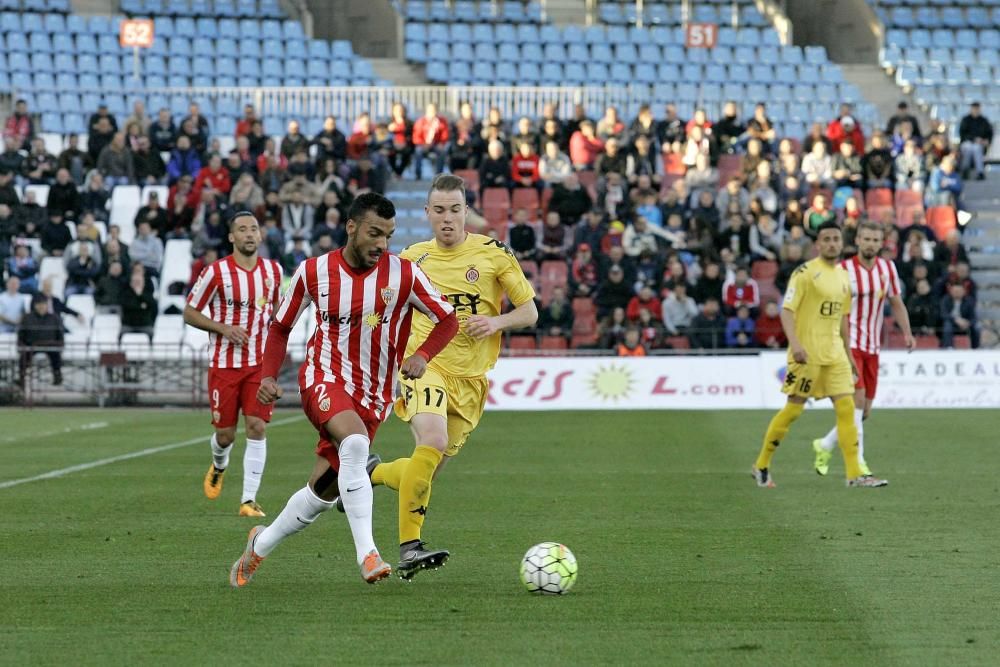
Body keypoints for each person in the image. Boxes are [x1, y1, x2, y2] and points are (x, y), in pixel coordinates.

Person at [229, 192, 459, 587]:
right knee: (354, 444)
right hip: (323, 377)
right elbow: (281, 325)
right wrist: (268, 375)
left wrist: (422, 355)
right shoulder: (313, 272)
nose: (381, 244)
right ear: (351, 227)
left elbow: (447, 320)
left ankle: (259, 545)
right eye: (374, 233)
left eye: (388, 235)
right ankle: (368, 554)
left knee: (321, 493)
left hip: (374, 397)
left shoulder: (403, 275)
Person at [356, 174, 537, 579]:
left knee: (426, 472)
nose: (448, 218)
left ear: (467, 211)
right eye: (439, 210)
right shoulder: (411, 259)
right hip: (425, 364)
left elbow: (530, 312)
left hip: (472, 381)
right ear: (426, 214)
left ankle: (371, 473)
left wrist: (495, 322)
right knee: (432, 442)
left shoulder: (494, 253)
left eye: (455, 209)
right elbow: (380, 307)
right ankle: (409, 548)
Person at [752, 221, 888, 489]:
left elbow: (842, 320)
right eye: (826, 239)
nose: (832, 244)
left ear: (842, 243)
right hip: (808, 354)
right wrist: (796, 344)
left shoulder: (842, 277)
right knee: (793, 410)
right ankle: (762, 465)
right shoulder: (804, 273)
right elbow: (787, 310)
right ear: (818, 244)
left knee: (848, 410)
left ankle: (853, 475)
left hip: (835, 354)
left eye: (836, 239)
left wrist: (849, 356)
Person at [185, 212, 283, 518]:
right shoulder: (216, 273)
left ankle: (248, 500)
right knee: (225, 435)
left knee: (257, 426)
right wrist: (224, 329)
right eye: (242, 229)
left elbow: (280, 313)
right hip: (224, 366)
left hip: (259, 365)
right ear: (232, 237)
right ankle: (219, 464)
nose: (250, 234)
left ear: (260, 235)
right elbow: (190, 312)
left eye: (254, 229)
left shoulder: (274, 272)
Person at [811, 222, 915, 475]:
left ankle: (824, 444)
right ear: (857, 240)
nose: (870, 244)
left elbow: (896, 302)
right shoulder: (844, 270)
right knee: (856, 403)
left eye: (875, 239)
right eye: (866, 238)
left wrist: (907, 332)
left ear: (882, 243)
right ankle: (859, 465)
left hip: (872, 347)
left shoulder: (887, 268)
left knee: (863, 411)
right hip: (849, 346)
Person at [17, 293, 64, 387]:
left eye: (43, 304)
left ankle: (57, 375)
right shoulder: (27, 317)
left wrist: (60, 345)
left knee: (55, 355)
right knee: (24, 356)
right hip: (31, 345)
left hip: (50, 345)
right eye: (39, 304)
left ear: (47, 305)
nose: (41, 307)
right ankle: (21, 378)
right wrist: (21, 345)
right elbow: (21, 334)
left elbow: (60, 333)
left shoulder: (54, 317)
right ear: (34, 305)